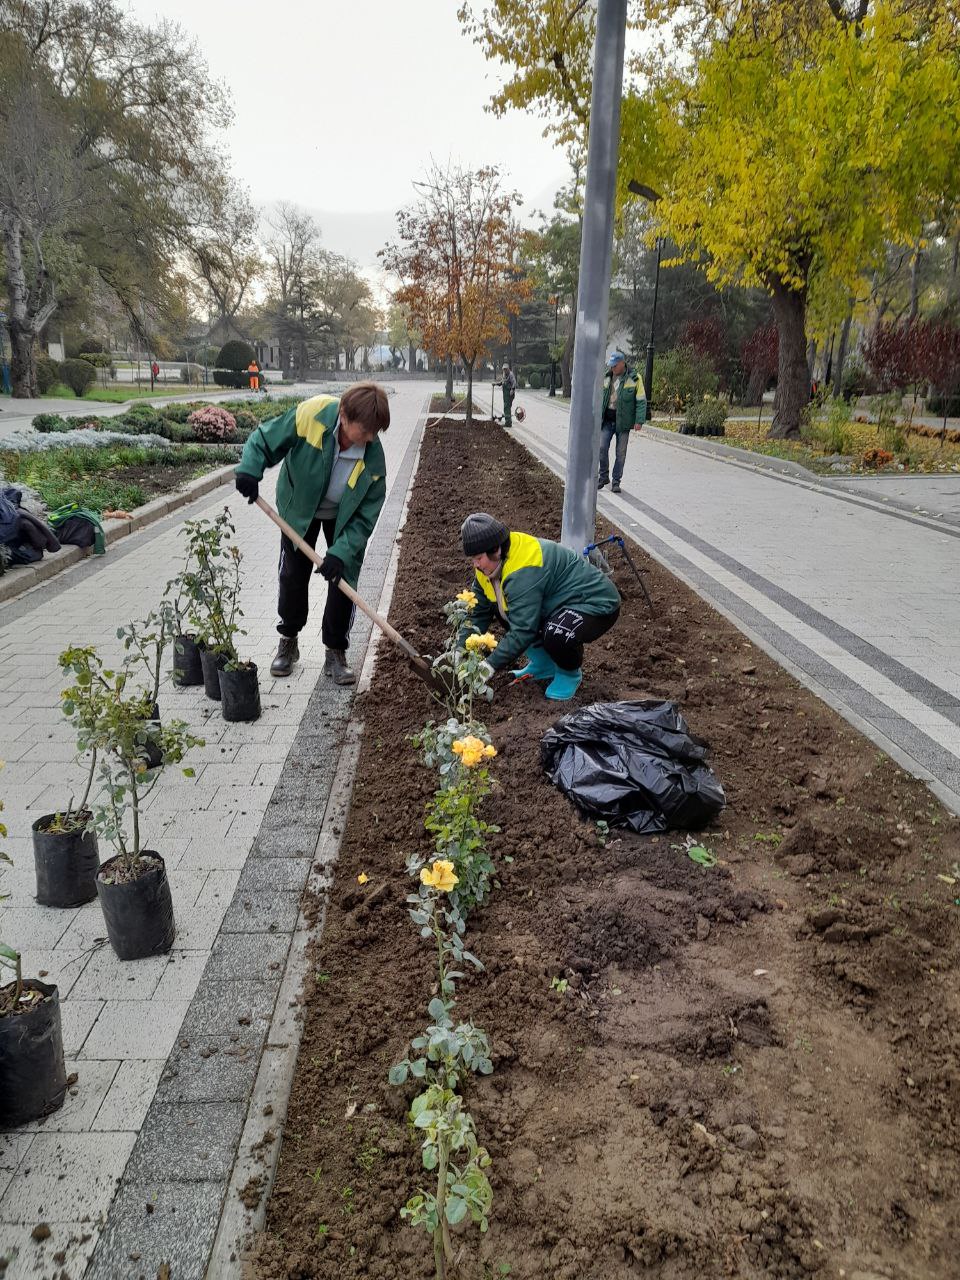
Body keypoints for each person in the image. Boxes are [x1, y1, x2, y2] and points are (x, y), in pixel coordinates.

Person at [234, 383, 390, 684]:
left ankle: (335, 651)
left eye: (375, 432)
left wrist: (340, 553)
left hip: (342, 517)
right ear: (343, 415)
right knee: (293, 574)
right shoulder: (312, 415)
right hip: (300, 506)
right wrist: (250, 469)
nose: (371, 438)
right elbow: (265, 438)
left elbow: (364, 519)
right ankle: (288, 641)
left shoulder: (373, 461)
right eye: (365, 430)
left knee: (343, 578)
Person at [459, 512, 620, 701]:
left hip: (595, 603)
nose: (476, 565)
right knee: (504, 608)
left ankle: (569, 673)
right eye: (473, 559)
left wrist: (489, 665)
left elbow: (523, 629)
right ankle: (543, 664)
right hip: (559, 603)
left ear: (496, 550)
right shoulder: (488, 568)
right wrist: (459, 650)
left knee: (557, 633)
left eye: (479, 558)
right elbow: (478, 613)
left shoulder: (524, 567)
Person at [599, 351, 646, 494]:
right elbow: (598, 397)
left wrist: (639, 421)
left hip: (623, 423)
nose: (612, 368)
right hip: (607, 421)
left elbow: (641, 401)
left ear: (622, 363)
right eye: (611, 365)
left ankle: (616, 481)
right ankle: (603, 477)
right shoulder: (606, 377)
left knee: (621, 453)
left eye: (615, 365)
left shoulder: (635, 378)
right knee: (601, 447)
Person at [499, 362, 517, 428]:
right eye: (504, 369)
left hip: (509, 394)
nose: (505, 370)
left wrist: (512, 389)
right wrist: (498, 384)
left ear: (508, 369)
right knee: (506, 407)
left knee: (507, 407)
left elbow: (514, 383)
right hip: (505, 394)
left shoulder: (511, 374)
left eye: (506, 369)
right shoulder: (504, 374)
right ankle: (508, 421)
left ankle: (508, 423)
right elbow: (503, 381)